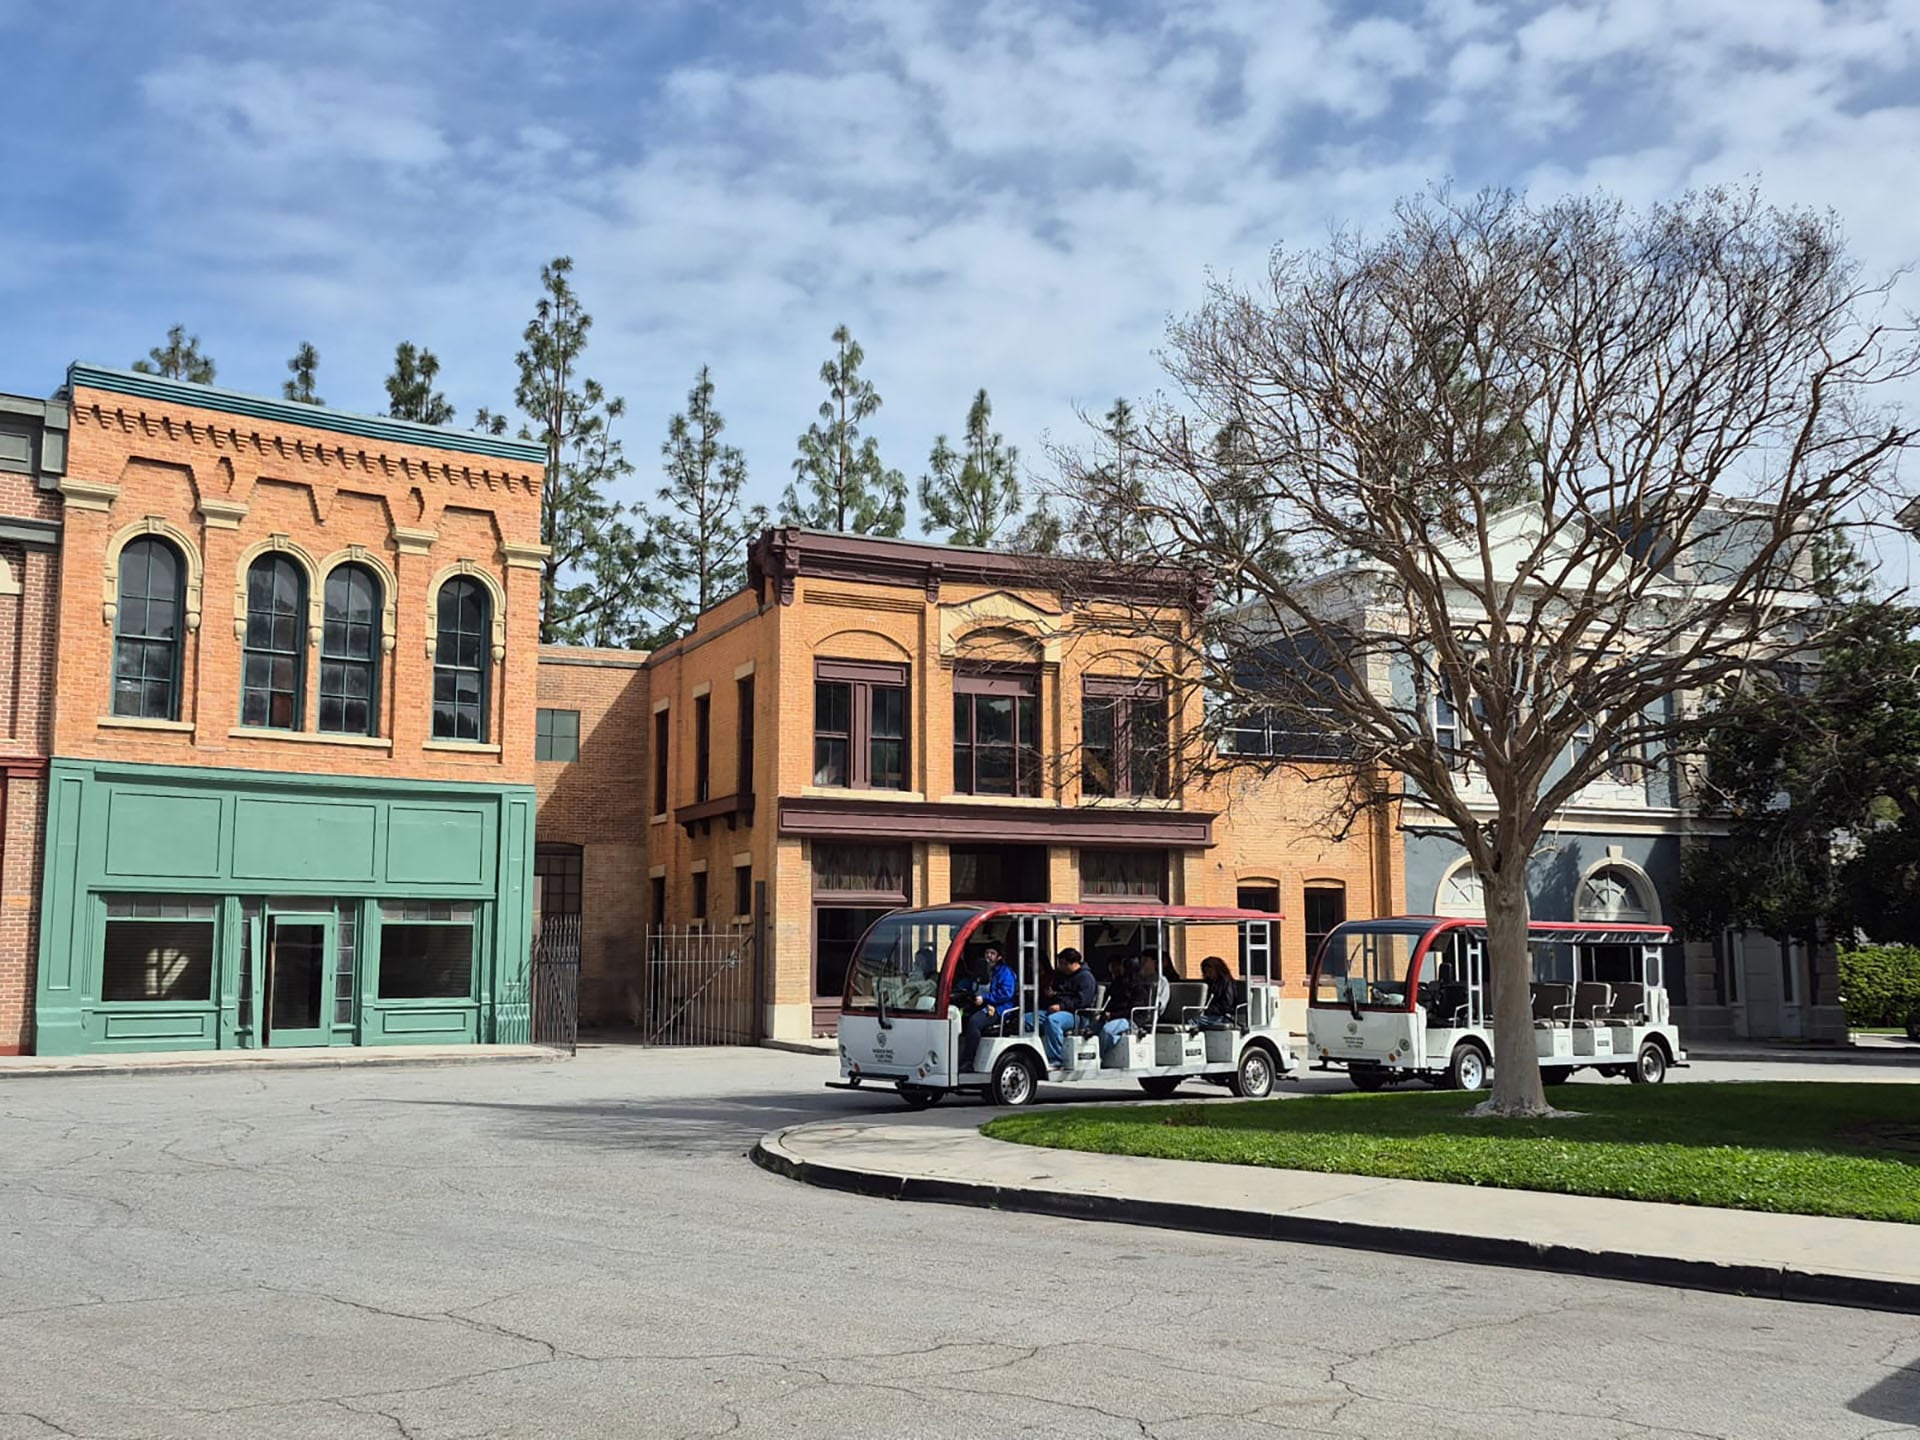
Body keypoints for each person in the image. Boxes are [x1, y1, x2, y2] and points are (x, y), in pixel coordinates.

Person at [1027, 947, 1095, 1067]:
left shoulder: (1085, 978)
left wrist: (1061, 1006)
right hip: (1056, 1009)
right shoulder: (1061, 976)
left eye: (1063, 964)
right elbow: (1059, 992)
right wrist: (1051, 995)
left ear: (1073, 963)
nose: (1060, 967)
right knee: (1026, 1019)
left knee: (1053, 1021)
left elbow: (1083, 1001)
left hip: (1077, 1015)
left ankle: (1056, 1058)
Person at [958, 945, 1017, 1074]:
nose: (988, 955)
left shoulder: (1005, 972)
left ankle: (968, 1061)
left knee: (974, 1022)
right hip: (979, 1004)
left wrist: (985, 998)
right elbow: (971, 983)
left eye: (992, 953)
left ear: (999, 957)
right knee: (959, 1019)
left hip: (998, 1008)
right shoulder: (981, 970)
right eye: (986, 952)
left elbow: (1006, 993)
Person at [1098, 955, 1142, 1056]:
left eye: (1122, 966)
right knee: (1091, 1029)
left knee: (1107, 1030)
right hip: (1113, 1016)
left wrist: (1113, 1015)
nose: (1119, 968)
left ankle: (1100, 1056)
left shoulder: (1138, 986)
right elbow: (1111, 1000)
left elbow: (1133, 1009)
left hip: (1130, 1019)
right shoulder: (1118, 983)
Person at [1192, 955, 1237, 1031]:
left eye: (1209, 972)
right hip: (1210, 1014)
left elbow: (1227, 1005)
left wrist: (1209, 1009)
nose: (1207, 975)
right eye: (1205, 972)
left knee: (1193, 1022)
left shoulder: (1226, 982)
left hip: (1223, 1016)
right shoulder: (1208, 983)